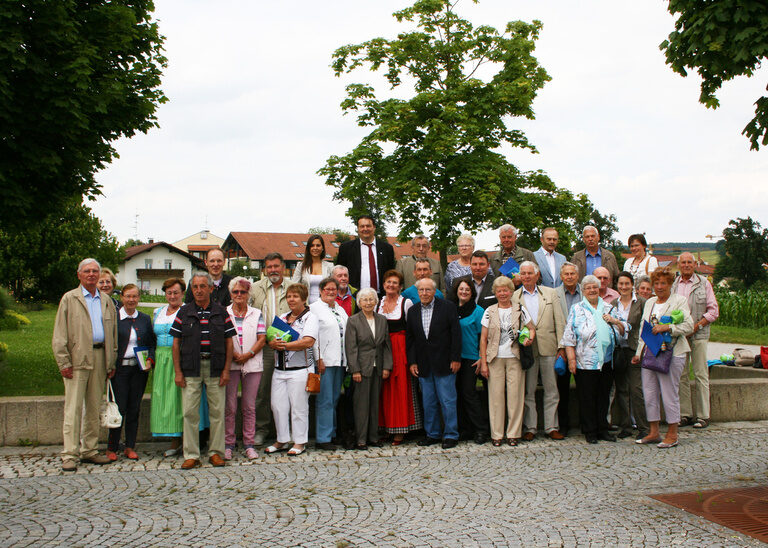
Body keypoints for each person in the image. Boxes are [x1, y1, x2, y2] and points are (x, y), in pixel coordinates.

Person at [52, 258, 118, 471]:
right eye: (87, 271)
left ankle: (89, 450)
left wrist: (111, 362)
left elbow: (113, 334)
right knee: (73, 409)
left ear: (99, 275)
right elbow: (60, 333)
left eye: (94, 271)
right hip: (77, 358)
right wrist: (63, 361)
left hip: (100, 357)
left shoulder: (106, 300)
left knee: (93, 407)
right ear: (79, 275)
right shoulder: (70, 299)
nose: (91, 274)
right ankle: (70, 453)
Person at [171, 272, 235, 469]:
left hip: (216, 367)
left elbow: (229, 342)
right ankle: (191, 454)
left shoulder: (221, 311)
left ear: (210, 288)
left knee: (217, 412)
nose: (198, 290)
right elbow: (176, 343)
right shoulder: (184, 312)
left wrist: (226, 370)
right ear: (192, 289)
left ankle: (216, 453)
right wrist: (178, 372)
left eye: (202, 286)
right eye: (195, 287)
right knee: (190, 412)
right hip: (191, 367)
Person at [632, 267, 694, 448]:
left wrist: (667, 328)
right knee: (649, 392)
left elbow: (689, 326)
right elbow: (644, 330)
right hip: (650, 353)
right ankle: (653, 431)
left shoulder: (679, 301)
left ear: (670, 285)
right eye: (656, 283)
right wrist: (638, 354)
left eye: (663, 283)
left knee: (669, 392)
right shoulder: (650, 302)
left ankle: (672, 433)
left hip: (672, 352)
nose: (659, 287)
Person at [560, 275, 627, 444]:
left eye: (594, 287)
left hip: (606, 360)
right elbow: (569, 337)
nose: (592, 290)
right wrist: (572, 359)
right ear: (583, 291)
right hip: (585, 361)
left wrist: (614, 321)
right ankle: (590, 430)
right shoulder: (577, 309)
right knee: (587, 397)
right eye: (588, 288)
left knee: (604, 396)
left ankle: (602, 429)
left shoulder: (608, 308)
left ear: (599, 289)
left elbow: (626, 328)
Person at [406, 278, 462, 449]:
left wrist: (455, 358)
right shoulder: (413, 311)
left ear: (434, 291)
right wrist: (413, 361)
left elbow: (456, 335)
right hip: (423, 364)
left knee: (447, 401)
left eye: (428, 290)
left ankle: (451, 435)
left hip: (445, 362)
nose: (424, 293)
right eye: (421, 290)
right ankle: (433, 434)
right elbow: (411, 339)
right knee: (428, 402)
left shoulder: (447, 307)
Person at [479, 276, 535, 446]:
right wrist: (483, 363)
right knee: (495, 398)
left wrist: (529, 339)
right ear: (495, 293)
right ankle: (496, 434)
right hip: (495, 358)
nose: (502, 293)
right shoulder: (489, 311)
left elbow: (531, 329)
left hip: (515, 358)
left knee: (515, 397)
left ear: (511, 291)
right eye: (499, 290)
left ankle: (513, 433)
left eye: (505, 290)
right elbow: (483, 339)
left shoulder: (520, 309)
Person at [514, 261, 566, 441]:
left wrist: (561, 346)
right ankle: (531, 427)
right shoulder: (514, 296)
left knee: (552, 389)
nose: (526, 276)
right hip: (526, 349)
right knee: (528, 390)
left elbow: (559, 320)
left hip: (549, 346)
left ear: (537, 275)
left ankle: (552, 426)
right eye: (523, 273)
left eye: (530, 273)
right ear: (519, 276)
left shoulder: (550, 294)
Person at [265, 283, 318, 456]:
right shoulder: (282, 317)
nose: (291, 299)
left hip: (300, 369)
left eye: (295, 296)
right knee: (278, 406)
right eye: (289, 296)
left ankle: (300, 441)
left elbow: (308, 341)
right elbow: (271, 338)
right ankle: (281, 439)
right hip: (279, 369)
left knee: (299, 407)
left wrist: (284, 346)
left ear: (303, 299)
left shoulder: (310, 317)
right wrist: (272, 343)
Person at [107, 283, 156, 461]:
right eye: (128, 296)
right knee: (119, 407)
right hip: (119, 369)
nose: (131, 300)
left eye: (135, 296)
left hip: (138, 369)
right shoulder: (114, 318)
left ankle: (130, 446)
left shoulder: (144, 319)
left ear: (139, 298)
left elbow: (151, 343)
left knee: (134, 408)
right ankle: (112, 446)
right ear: (122, 298)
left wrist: (150, 359)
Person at [673, 252, 719, 429]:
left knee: (700, 373)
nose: (686, 265)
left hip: (698, 334)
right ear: (678, 265)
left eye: (689, 262)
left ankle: (703, 415)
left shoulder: (703, 283)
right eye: (683, 262)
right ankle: (685, 414)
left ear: (694, 264)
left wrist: (697, 325)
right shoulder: (674, 285)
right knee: (682, 375)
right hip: (681, 336)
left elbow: (713, 311)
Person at [249, 252, 291, 447]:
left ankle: (287, 431)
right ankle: (262, 429)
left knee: (289, 390)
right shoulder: (255, 289)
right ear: (264, 269)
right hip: (265, 347)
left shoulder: (293, 287)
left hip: (289, 346)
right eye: (269, 267)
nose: (273, 270)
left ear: (283, 267)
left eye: (276, 266)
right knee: (262, 390)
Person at [376, 270, 422, 445]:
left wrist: (412, 357)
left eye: (395, 283)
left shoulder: (406, 303)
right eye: (388, 282)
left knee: (401, 389)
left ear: (400, 286)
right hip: (382, 348)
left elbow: (412, 331)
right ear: (384, 284)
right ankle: (386, 427)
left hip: (400, 348)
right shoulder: (378, 303)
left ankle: (401, 429)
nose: (391, 285)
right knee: (384, 390)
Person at [225, 277, 266, 460]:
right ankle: (228, 443)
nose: (239, 295)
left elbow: (262, 338)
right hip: (231, 364)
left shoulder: (256, 313)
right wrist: (234, 355)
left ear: (248, 294)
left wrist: (247, 354)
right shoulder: (224, 313)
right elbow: (222, 337)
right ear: (231, 294)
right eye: (236, 292)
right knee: (230, 406)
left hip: (252, 363)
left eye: (243, 291)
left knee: (249, 406)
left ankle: (249, 443)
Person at [345, 288, 393, 449]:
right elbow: (351, 348)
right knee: (361, 405)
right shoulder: (353, 321)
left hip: (378, 367)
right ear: (359, 303)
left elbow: (386, 345)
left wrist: (387, 366)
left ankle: (373, 437)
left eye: (371, 299)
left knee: (374, 404)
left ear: (376, 302)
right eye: (364, 299)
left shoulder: (381, 320)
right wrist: (355, 370)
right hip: (362, 368)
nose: (368, 302)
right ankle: (361, 439)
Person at [605, 272, 647, 440]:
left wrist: (617, 322)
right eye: (621, 284)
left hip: (635, 349)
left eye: (627, 284)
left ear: (632, 285)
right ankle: (626, 426)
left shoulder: (642, 303)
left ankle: (643, 426)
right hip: (619, 350)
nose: (623, 287)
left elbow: (642, 326)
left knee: (636, 389)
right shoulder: (613, 304)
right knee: (622, 390)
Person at [310, 277, 348, 450]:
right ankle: (322, 438)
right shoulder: (314, 309)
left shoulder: (339, 309)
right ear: (321, 290)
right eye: (328, 289)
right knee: (324, 400)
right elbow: (313, 336)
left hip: (339, 360)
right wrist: (319, 359)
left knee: (333, 399)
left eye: (334, 289)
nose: (331, 292)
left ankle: (331, 434)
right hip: (325, 361)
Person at [150, 277, 187, 456]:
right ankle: (170, 435)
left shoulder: (186, 311)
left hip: (179, 358)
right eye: (169, 292)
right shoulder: (158, 312)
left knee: (178, 399)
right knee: (163, 397)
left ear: (182, 293)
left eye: (176, 292)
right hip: (161, 359)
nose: (172, 296)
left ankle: (179, 440)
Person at [454, 279, 490, 444]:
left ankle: (481, 429)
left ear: (472, 292)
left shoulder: (478, 311)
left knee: (469, 393)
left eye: (467, 289)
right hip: (455, 358)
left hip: (472, 359)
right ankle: (465, 429)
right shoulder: (452, 309)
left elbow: (483, 338)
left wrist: (481, 358)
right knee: (458, 395)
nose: (464, 292)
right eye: (461, 289)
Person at [335, 215, 396, 293]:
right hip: (354, 295)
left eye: (368, 226)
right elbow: (339, 272)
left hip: (381, 296)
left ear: (374, 227)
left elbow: (391, 273)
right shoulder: (346, 248)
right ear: (358, 228)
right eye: (362, 226)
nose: (365, 229)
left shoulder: (387, 248)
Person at [554, 262, 581, 436]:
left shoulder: (585, 292)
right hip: (562, 348)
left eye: (572, 274)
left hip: (584, 348)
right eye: (566, 274)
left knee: (585, 389)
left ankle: (586, 425)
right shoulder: (554, 294)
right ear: (561, 276)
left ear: (577, 276)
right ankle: (563, 425)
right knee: (561, 390)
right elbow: (553, 322)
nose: (569, 277)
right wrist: (561, 346)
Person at [291, 234, 335, 304]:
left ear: (322, 248)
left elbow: (334, 288)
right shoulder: (300, 266)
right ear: (308, 248)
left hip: (325, 305)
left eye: (318, 245)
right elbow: (293, 286)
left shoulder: (330, 266)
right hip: (305, 306)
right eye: (312, 245)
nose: (315, 248)